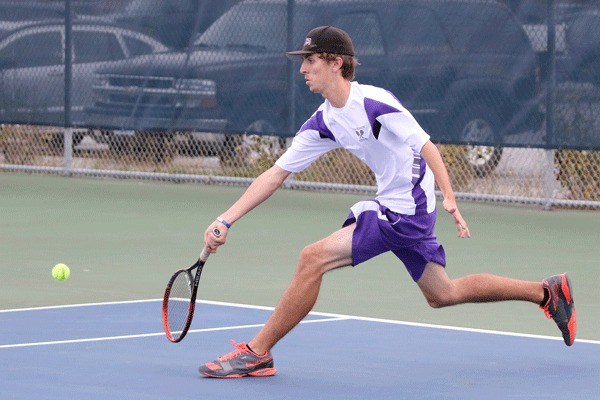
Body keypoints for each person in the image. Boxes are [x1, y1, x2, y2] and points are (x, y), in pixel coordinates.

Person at [198, 26, 577, 378]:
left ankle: (258, 352)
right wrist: (226, 219)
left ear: (336, 63)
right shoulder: (325, 121)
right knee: (442, 293)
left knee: (312, 258)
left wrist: (448, 196)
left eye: (310, 61)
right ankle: (546, 291)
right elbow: (275, 173)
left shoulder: (375, 103)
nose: (303, 70)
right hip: (401, 206)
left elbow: (426, 144)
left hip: (406, 208)